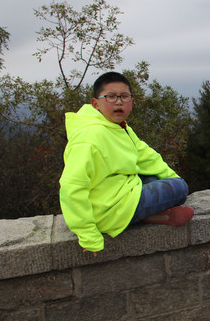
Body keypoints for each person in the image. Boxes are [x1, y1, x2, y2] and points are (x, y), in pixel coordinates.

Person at [59, 71, 194, 255]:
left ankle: (148, 214)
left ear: (132, 101)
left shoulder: (119, 127)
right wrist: (89, 236)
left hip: (119, 192)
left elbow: (146, 156)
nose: (119, 102)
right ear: (95, 104)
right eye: (111, 97)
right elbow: (71, 187)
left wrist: (171, 177)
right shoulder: (89, 138)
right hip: (108, 211)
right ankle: (144, 215)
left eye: (124, 96)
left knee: (156, 177)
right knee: (180, 189)